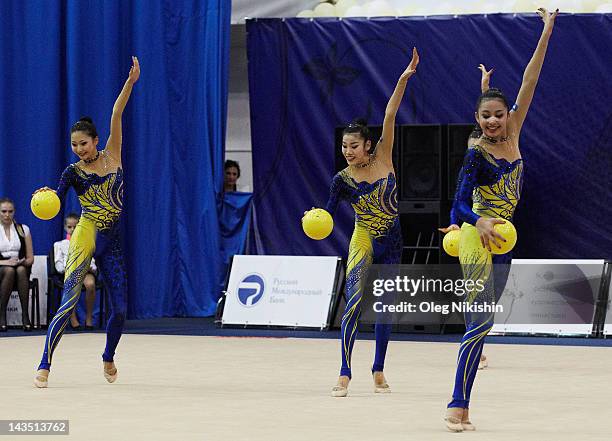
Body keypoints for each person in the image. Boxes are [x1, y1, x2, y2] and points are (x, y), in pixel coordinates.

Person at [440, 9, 557, 431]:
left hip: (503, 238)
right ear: (477, 120)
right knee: (481, 321)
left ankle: (465, 395)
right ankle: (457, 403)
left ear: (509, 115)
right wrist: (477, 222)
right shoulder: (476, 153)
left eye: (498, 114)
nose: (492, 121)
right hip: (478, 235)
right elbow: (457, 202)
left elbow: (530, 80)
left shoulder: (516, 132)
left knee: (484, 321)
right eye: (485, 115)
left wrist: (546, 30)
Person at [34, 56, 140, 388]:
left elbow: (116, 114)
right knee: (68, 302)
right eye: (74, 145)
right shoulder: (73, 171)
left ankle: (108, 356)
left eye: (83, 143)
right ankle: (44, 364)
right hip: (86, 235)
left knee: (120, 309)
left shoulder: (113, 153)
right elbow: (58, 193)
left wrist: (131, 82)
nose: (78, 149)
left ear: (95, 140)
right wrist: (48, 194)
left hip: (113, 241)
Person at [323, 48, 419, 397]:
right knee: (353, 302)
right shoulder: (342, 179)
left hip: (392, 241)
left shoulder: (384, 155)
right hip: (363, 237)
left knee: (385, 308)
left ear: (367, 145)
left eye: (353, 146)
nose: (347, 151)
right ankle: (345, 371)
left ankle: (378, 368)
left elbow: (391, 113)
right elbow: (329, 212)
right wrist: (314, 217)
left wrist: (402, 80)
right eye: (344, 146)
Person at [54, 213, 97, 330]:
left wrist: (89, 267)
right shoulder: (59, 245)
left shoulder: (87, 242)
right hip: (69, 273)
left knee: (90, 284)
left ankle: (88, 318)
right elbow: (58, 265)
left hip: (86, 272)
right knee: (72, 285)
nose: (72, 229)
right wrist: (70, 267)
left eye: (75, 226)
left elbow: (93, 264)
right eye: (69, 227)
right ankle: (73, 319)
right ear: (65, 228)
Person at [0, 197, 34, 331]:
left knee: (19, 270)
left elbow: (31, 258)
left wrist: (22, 261)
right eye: (3, 211)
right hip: (2, 268)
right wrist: (5, 262)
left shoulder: (23, 229)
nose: (7, 215)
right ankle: (2, 315)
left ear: (14, 212)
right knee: (9, 270)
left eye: (10, 211)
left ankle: (25, 315)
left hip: (20, 267)